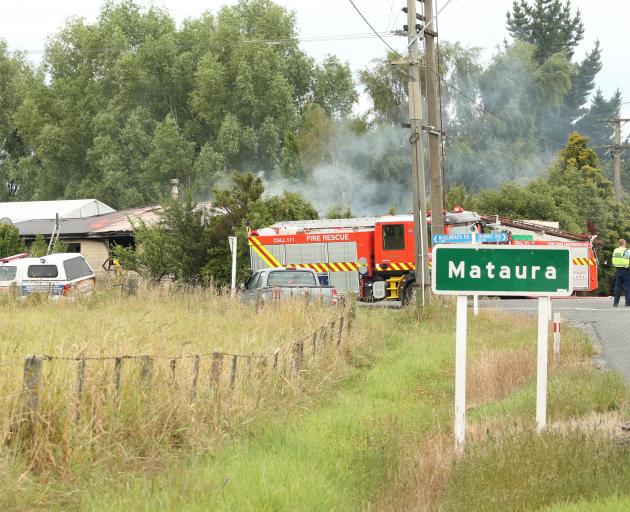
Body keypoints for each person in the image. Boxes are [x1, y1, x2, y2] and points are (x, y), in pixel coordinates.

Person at [612, 239, 630, 307]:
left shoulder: (615, 250)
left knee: (617, 287)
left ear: (619, 244)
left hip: (618, 270)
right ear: (624, 243)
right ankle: (627, 303)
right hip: (626, 271)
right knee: (627, 287)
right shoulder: (627, 250)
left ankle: (615, 303)